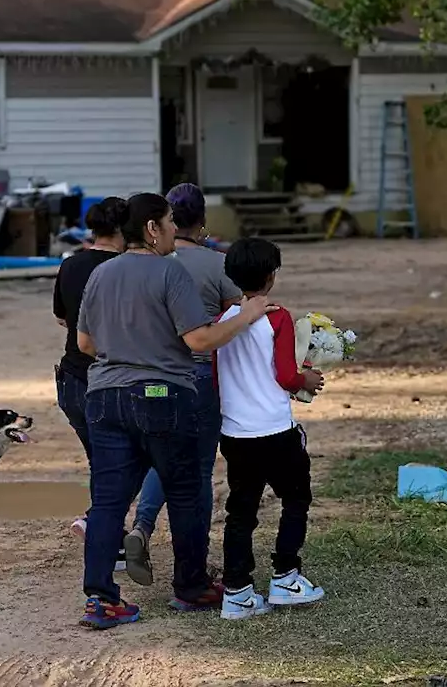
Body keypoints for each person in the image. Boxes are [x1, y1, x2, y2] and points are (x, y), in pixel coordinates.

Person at [75, 192, 275, 629]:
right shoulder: (170, 271)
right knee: (186, 491)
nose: (173, 230)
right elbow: (199, 340)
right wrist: (248, 313)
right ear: (152, 228)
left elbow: (85, 345)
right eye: (168, 222)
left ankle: (101, 600)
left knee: (107, 501)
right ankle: (192, 587)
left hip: (104, 398)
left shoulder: (100, 272)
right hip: (162, 396)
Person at [124, 183, 241, 587]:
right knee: (199, 470)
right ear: (202, 220)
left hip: (153, 377)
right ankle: (194, 562)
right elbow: (237, 315)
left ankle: (141, 525)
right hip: (199, 376)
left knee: (163, 458)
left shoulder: (149, 263)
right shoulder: (217, 264)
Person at [212, 237, 326, 620]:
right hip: (275, 430)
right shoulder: (277, 317)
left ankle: (237, 591)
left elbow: (216, 376)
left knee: (241, 511)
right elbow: (286, 375)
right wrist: (306, 380)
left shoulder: (222, 321)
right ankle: (286, 576)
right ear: (271, 276)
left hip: (235, 433)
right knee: (296, 499)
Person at [52, 197, 128, 570]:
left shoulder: (70, 265)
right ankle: (100, 527)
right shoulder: (123, 269)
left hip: (70, 379)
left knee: (103, 461)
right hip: (108, 379)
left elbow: (63, 319)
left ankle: (108, 536)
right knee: (123, 462)